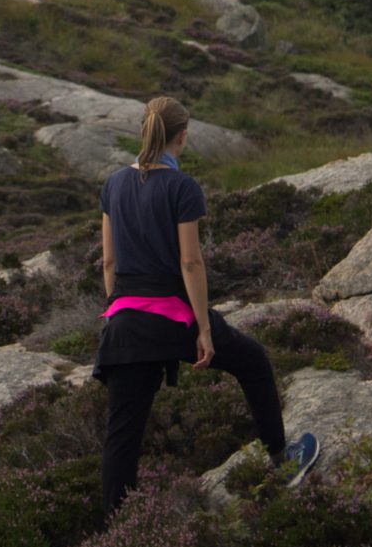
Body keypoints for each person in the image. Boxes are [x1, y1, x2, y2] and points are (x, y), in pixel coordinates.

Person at [93, 93, 319, 518]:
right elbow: (190, 262)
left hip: (123, 323)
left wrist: (116, 308)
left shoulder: (113, 183)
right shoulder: (182, 187)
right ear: (182, 137)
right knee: (252, 361)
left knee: (121, 438)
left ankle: (116, 530)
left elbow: (108, 261)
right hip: (172, 317)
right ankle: (280, 461)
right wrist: (204, 329)